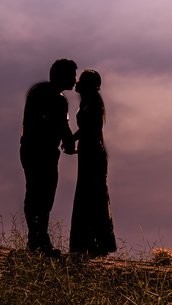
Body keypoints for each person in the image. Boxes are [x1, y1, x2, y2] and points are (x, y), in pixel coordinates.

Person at [20, 58, 78, 255]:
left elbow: (62, 125)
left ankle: (38, 238)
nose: (75, 79)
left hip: (40, 151)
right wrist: (67, 140)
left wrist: (67, 139)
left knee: (41, 194)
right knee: (39, 193)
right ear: (62, 76)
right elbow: (58, 124)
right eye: (72, 75)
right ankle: (38, 238)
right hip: (38, 150)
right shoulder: (47, 95)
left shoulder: (49, 95)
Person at [69, 69, 116, 257]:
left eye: (81, 79)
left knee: (90, 194)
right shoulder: (89, 101)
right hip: (89, 151)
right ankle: (91, 242)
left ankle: (93, 243)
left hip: (92, 153)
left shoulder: (93, 102)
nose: (76, 82)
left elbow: (90, 128)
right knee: (89, 194)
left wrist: (71, 139)